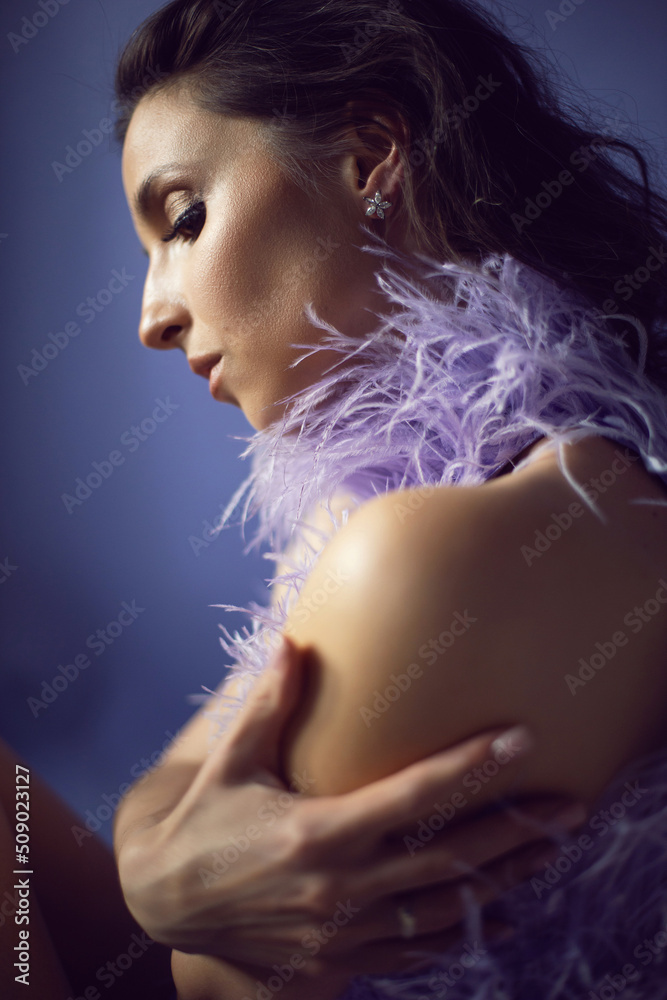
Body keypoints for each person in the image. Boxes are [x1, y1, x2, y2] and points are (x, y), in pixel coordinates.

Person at [2, 1, 666, 999]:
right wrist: (152, 880)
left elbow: (212, 983)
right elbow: (169, 798)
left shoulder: (443, 552)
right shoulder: (392, 501)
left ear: (368, 156)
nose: (151, 315)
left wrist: (175, 891)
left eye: (184, 218)